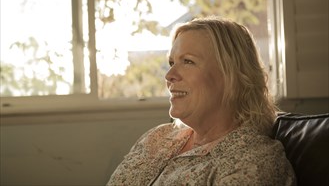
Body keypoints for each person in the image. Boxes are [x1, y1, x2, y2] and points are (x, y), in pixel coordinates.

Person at [107, 17, 296, 185]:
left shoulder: (254, 162)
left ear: (232, 75)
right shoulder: (157, 137)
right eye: (172, 63)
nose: (169, 75)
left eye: (188, 61)